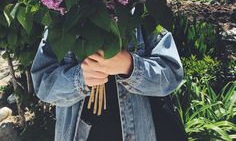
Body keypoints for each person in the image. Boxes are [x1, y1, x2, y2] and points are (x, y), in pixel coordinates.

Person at [30, 26, 184, 141]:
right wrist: (80, 78)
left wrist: (129, 66)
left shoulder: (142, 12)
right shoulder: (64, 17)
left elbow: (171, 75)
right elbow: (43, 85)